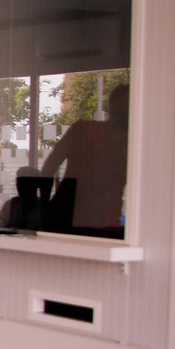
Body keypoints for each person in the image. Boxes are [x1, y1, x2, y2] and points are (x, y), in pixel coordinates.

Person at [41, 83, 129, 237]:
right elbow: (49, 167)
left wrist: (43, 207)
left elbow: (49, 167)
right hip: (93, 221)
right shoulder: (131, 143)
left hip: (73, 218)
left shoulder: (84, 129)